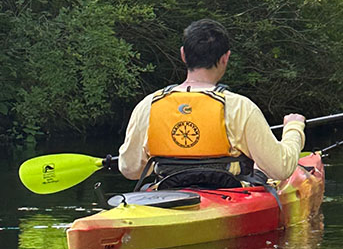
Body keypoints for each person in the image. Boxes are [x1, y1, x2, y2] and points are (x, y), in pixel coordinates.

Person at [118, 19, 306, 189]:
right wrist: (294, 128)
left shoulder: (149, 105)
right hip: (228, 196)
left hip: (166, 195)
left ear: (183, 55)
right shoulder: (240, 107)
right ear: (226, 58)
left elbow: (130, 169)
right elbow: (281, 169)